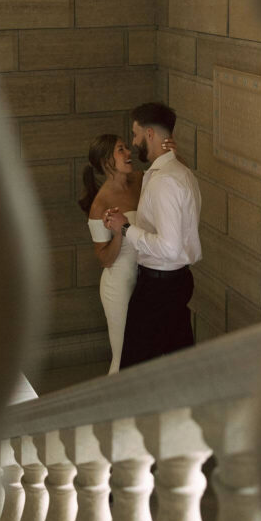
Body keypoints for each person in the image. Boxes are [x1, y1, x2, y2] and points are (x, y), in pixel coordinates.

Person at [105, 102, 202, 369]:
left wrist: (125, 228)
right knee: (180, 365)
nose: (134, 142)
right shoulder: (180, 173)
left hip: (160, 287)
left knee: (134, 368)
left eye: (135, 135)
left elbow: (170, 247)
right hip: (175, 281)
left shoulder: (165, 181)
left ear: (150, 134)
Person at [79, 132, 176, 373]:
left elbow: (174, 180)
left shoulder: (141, 179)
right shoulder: (99, 205)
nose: (128, 153)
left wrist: (175, 156)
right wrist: (120, 232)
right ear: (106, 161)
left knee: (147, 349)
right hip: (119, 285)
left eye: (126, 147)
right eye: (121, 149)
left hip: (147, 276)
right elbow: (104, 259)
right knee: (124, 356)